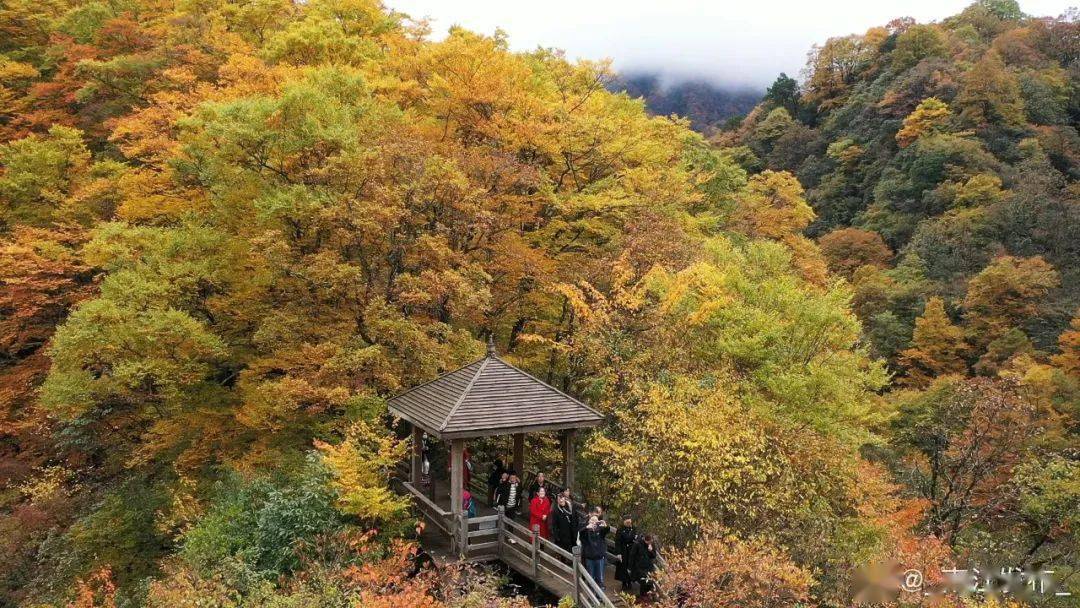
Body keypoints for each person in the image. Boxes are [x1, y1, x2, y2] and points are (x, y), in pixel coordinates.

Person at [578, 514, 610, 589]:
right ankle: (591, 596)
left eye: (596, 520)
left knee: (600, 579)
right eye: (592, 520)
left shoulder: (600, 530)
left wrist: (605, 525)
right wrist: (586, 528)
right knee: (590, 578)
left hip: (599, 558)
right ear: (589, 521)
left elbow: (606, 530)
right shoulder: (586, 531)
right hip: (590, 558)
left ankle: (599, 597)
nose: (594, 522)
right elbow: (580, 533)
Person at [614, 516, 638, 590]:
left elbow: (634, 537)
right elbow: (617, 542)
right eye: (627, 523)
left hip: (631, 550)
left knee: (630, 566)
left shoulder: (633, 528)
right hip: (623, 550)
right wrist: (618, 553)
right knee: (623, 567)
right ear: (624, 522)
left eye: (630, 522)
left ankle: (630, 581)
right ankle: (624, 583)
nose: (629, 524)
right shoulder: (620, 529)